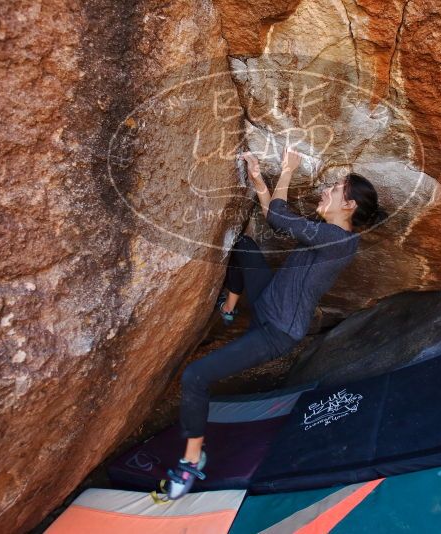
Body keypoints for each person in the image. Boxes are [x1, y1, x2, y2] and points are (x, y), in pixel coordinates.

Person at [161, 146, 387, 500]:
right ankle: (231, 306)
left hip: (276, 333)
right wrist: (256, 177)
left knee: (196, 376)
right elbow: (273, 213)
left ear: (349, 205)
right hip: (267, 301)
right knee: (245, 246)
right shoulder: (326, 233)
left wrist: (287, 170)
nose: (325, 190)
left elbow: (279, 217)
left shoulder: (339, 241)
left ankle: (192, 461)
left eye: (334, 188)